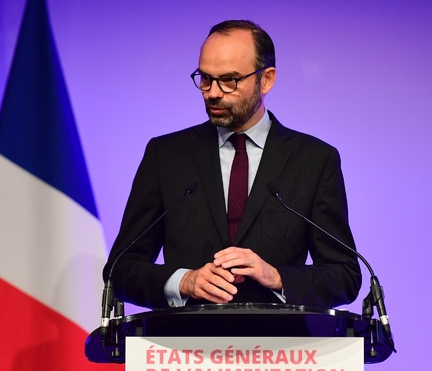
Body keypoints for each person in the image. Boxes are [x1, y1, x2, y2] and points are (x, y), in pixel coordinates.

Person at [104, 20, 361, 310]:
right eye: (205, 78)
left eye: (229, 80)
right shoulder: (166, 155)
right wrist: (184, 281)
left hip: (279, 350)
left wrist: (276, 277)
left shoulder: (315, 160)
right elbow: (120, 270)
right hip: (183, 348)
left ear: (266, 79)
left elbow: (345, 275)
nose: (213, 92)